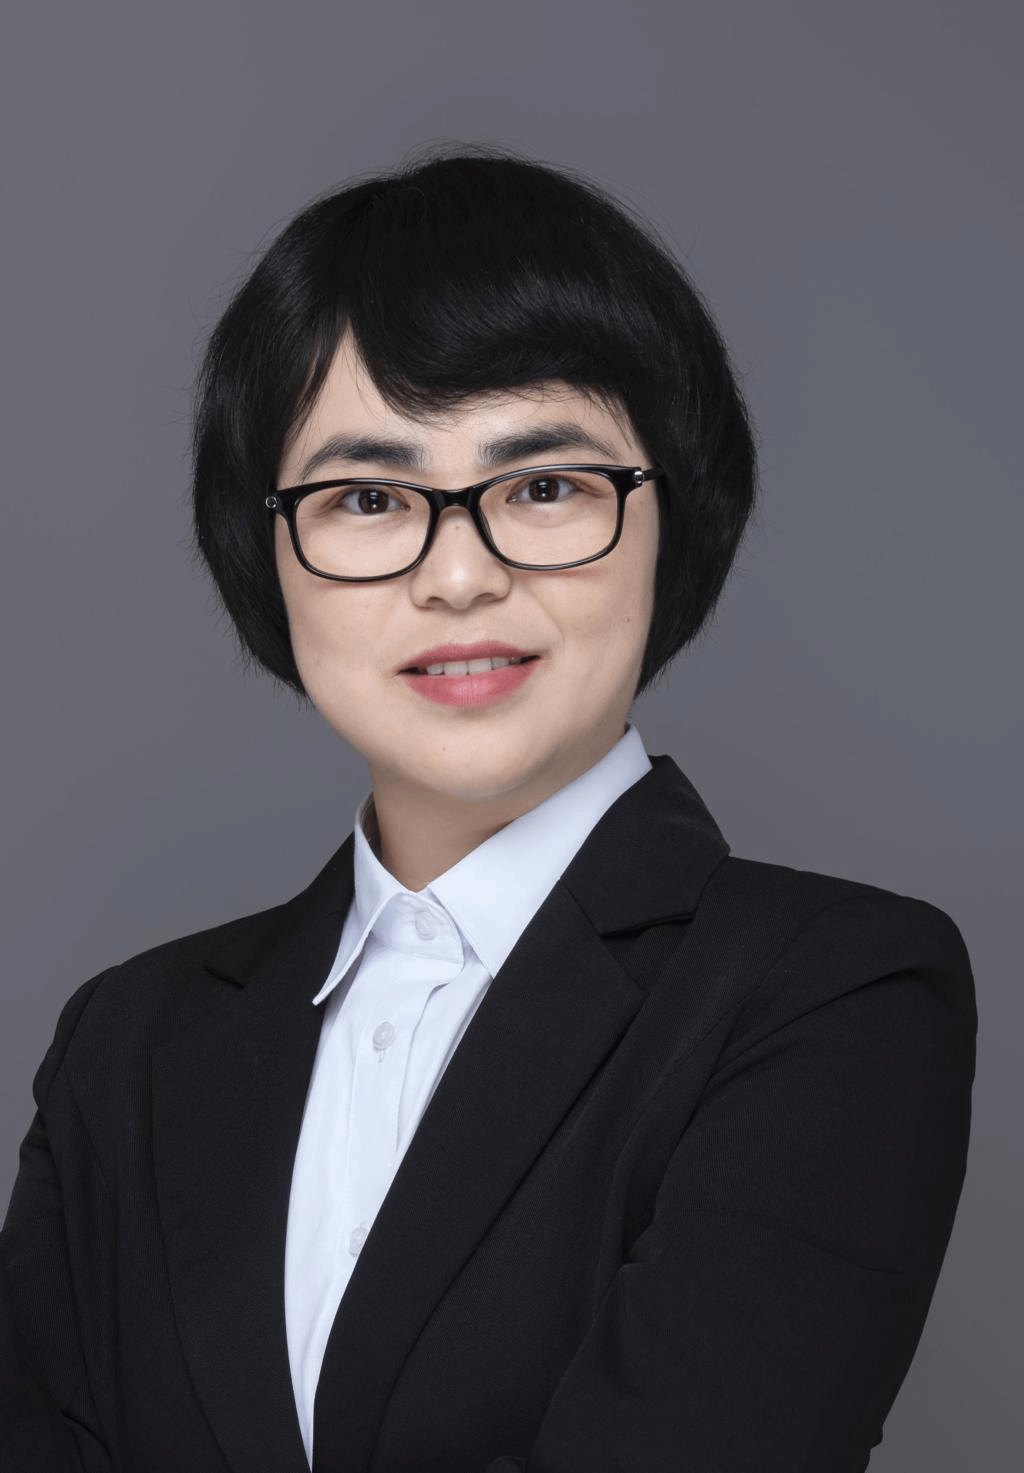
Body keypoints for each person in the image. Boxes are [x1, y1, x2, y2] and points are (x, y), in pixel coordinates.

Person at [1, 149, 976, 1473]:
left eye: (544, 486)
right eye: (366, 498)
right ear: (265, 548)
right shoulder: (125, 1048)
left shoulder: (832, 992)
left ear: (673, 517)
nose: (458, 576)